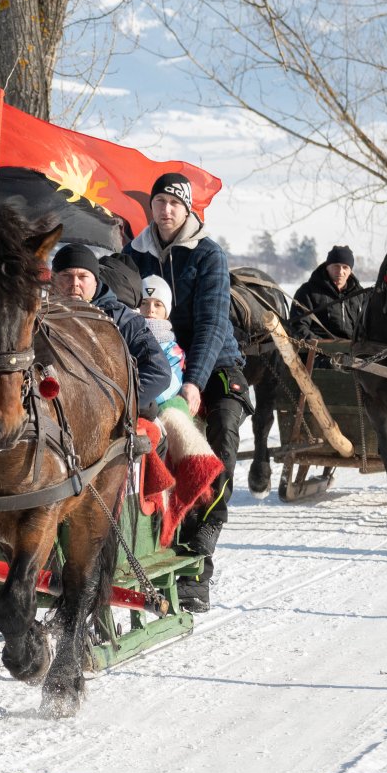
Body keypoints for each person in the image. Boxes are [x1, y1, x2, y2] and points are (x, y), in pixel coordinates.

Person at [124, 172, 248, 613]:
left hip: (213, 361)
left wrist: (194, 381)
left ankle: (203, 544)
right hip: (152, 360)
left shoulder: (208, 254)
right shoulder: (133, 253)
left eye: (175, 203)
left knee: (221, 435)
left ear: (188, 209)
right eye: (159, 201)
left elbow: (214, 324)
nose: (166, 209)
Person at [50, 243, 170, 420]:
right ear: (52, 279)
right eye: (66, 276)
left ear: (96, 280)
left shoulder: (123, 320)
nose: (75, 284)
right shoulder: (38, 316)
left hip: (105, 421)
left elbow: (159, 371)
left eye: (83, 276)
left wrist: (113, 407)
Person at [289, 245, 368, 342]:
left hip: (354, 353)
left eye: (345, 267)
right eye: (336, 266)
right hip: (318, 353)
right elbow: (299, 327)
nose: (340, 271)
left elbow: (369, 327)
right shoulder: (307, 292)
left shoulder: (360, 295)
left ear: (350, 270)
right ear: (327, 267)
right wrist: (325, 345)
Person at [138, 274, 184, 404]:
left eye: (158, 304)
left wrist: (137, 402)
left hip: (156, 405)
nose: (150, 310)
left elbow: (170, 386)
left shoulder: (173, 351)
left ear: (166, 311)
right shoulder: (126, 337)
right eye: (144, 303)